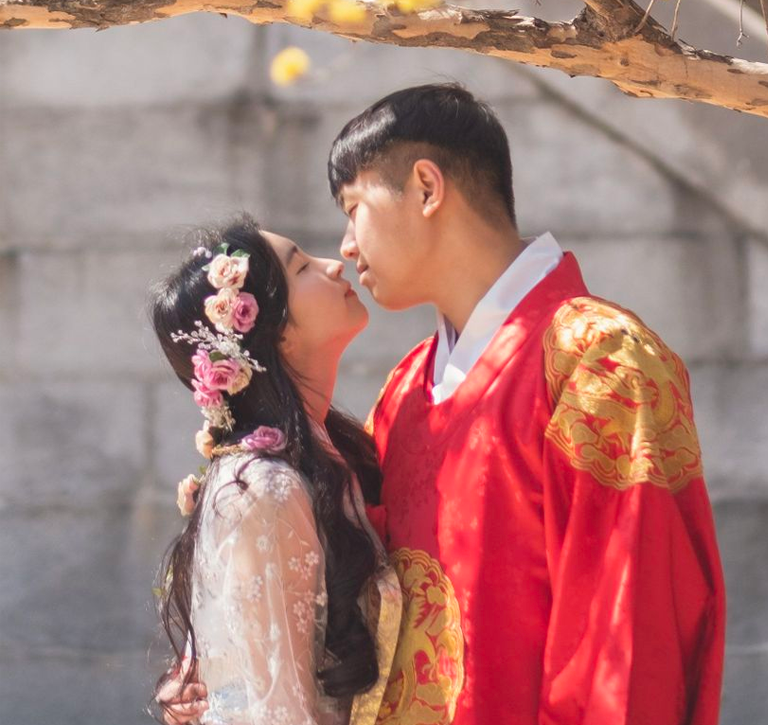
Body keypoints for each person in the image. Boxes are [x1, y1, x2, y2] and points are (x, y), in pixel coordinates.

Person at [165, 82, 726, 725]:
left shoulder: (598, 362)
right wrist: (238, 661)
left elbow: (632, 639)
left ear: (427, 189)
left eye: (355, 209)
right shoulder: (405, 389)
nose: (346, 247)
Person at [152, 217, 402, 725]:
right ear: (276, 331)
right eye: (304, 267)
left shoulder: (330, 456)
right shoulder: (263, 488)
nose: (336, 265)